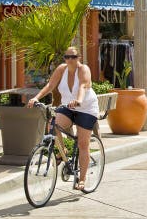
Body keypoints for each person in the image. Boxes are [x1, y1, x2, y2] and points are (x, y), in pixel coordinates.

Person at [28, 46, 98, 190]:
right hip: (68, 106)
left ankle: (82, 179)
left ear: (79, 58)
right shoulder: (61, 69)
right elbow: (50, 85)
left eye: (73, 57)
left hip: (86, 108)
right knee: (53, 124)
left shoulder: (83, 69)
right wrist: (36, 98)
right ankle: (62, 152)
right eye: (67, 57)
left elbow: (83, 86)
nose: (69, 60)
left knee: (83, 145)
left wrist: (78, 100)